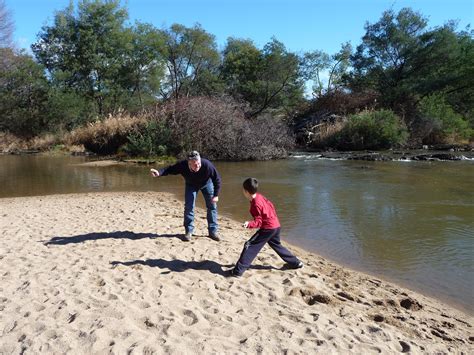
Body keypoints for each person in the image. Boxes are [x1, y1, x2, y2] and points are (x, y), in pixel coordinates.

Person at [229, 177, 303, 277]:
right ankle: (296, 263)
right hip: (276, 225)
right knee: (276, 245)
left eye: (243, 190)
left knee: (249, 245)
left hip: (268, 228)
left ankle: (237, 272)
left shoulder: (255, 204)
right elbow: (271, 206)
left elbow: (258, 222)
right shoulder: (259, 196)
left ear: (246, 191)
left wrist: (249, 224)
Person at [150, 151, 221, 242]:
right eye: (195, 165)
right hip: (191, 185)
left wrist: (216, 195)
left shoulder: (207, 165)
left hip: (207, 184)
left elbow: (217, 179)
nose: (197, 166)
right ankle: (189, 231)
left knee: (212, 207)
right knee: (189, 207)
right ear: (189, 163)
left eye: (198, 164)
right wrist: (159, 172)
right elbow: (170, 169)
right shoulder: (182, 165)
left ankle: (213, 232)